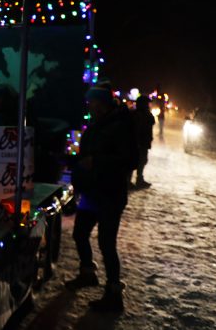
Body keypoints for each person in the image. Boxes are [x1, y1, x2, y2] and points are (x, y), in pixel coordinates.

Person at [65, 84, 137, 313]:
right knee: (80, 233)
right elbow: (86, 153)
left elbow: (129, 159)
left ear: (104, 104)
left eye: (94, 103)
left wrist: (96, 161)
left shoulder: (121, 125)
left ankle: (114, 294)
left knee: (107, 243)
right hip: (92, 191)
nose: (91, 107)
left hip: (110, 193)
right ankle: (87, 273)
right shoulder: (97, 124)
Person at [130, 95, 154, 189]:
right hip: (138, 143)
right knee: (134, 161)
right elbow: (139, 129)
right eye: (147, 103)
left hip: (143, 142)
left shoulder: (143, 114)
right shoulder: (139, 114)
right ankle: (130, 181)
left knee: (142, 161)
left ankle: (139, 179)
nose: (149, 105)